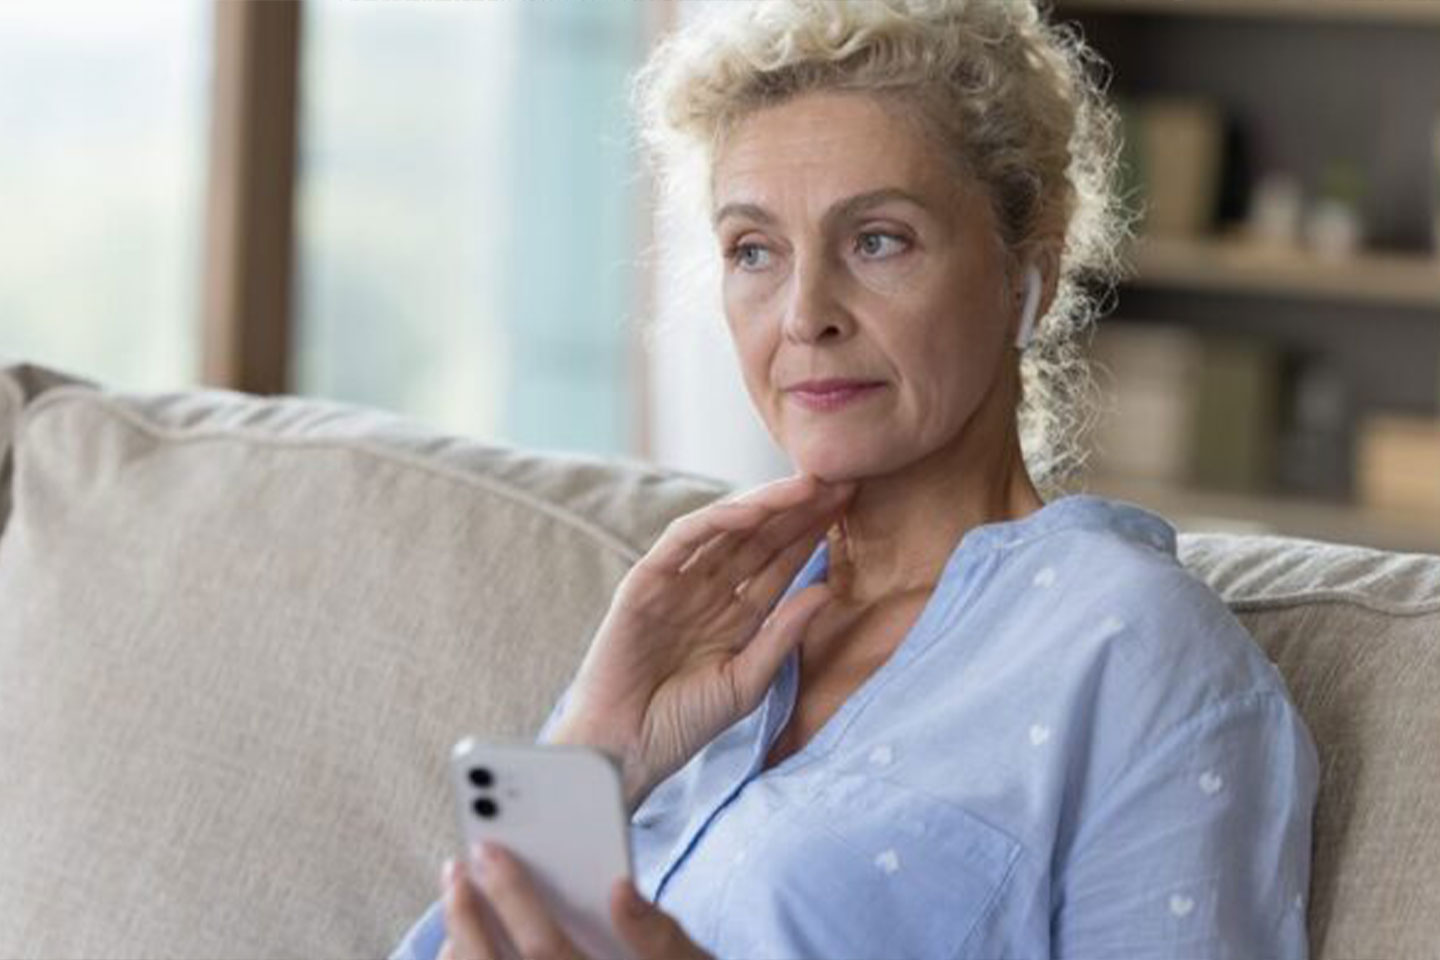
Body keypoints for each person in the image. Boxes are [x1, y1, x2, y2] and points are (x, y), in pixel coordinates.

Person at [390, 1, 1319, 957]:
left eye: (878, 239)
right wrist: (597, 748)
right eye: (754, 250)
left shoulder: (1136, 653)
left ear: (1024, 270)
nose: (803, 315)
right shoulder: (704, 623)